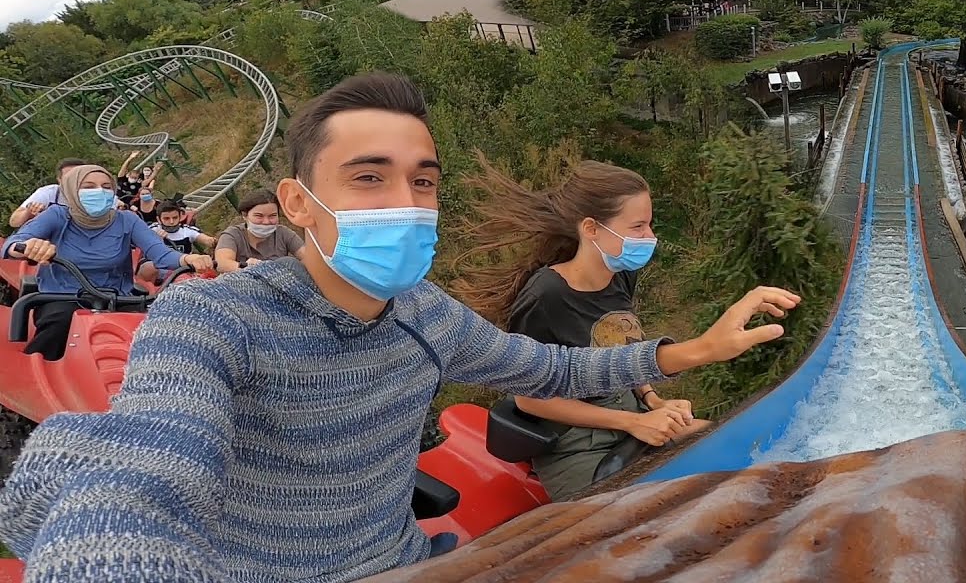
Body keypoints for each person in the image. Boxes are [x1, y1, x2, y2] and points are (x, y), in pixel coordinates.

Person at [0, 72, 800, 583]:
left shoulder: (423, 315)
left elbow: (548, 370)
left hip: (407, 564)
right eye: (369, 178)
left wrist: (699, 349)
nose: (406, 204)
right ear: (298, 204)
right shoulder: (210, 318)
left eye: (422, 182)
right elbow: (148, 467)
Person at [454, 158, 710, 502]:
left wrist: (652, 399)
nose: (650, 237)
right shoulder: (547, 295)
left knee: (723, 447)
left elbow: (623, 348)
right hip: (575, 445)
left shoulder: (619, 273)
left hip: (630, 419)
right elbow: (529, 400)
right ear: (591, 229)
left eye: (649, 225)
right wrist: (630, 423)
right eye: (637, 227)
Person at [1, 165, 214, 360]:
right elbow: (12, 245)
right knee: (57, 325)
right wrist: (30, 247)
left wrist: (188, 258)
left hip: (118, 298)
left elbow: (161, 253)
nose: (99, 192)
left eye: (105, 186)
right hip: (62, 297)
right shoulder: (56, 216)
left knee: (156, 336)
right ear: (72, 190)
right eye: (89, 187)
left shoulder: (127, 220)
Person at [214, 189, 304, 272]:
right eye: (259, 216)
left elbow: (306, 255)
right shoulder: (233, 234)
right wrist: (247, 266)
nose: (266, 222)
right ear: (245, 215)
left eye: (272, 216)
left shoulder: (283, 233)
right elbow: (221, 263)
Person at [137, 201, 217, 284]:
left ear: (180, 217)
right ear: (159, 219)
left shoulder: (187, 231)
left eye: (175, 218)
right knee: (149, 268)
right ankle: (144, 292)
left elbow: (207, 239)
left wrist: (213, 242)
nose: (171, 222)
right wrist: (156, 239)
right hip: (157, 269)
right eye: (166, 218)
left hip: (182, 270)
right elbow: (140, 243)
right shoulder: (152, 229)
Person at [7, 157, 88, 228]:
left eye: (79, 175)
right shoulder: (49, 193)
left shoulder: (95, 192)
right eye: (69, 177)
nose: (75, 180)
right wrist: (28, 213)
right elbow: (14, 222)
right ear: (59, 180)